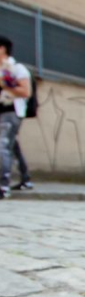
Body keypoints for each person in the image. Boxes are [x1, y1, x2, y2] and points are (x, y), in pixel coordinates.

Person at [0, 35, 32, 200]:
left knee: (3, 146)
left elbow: (26, 91)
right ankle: (26, 179)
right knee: (12, 147)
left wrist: (5, 84)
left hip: (11, 113)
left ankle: (3, 186)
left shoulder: (17, 68)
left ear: (2, 49)